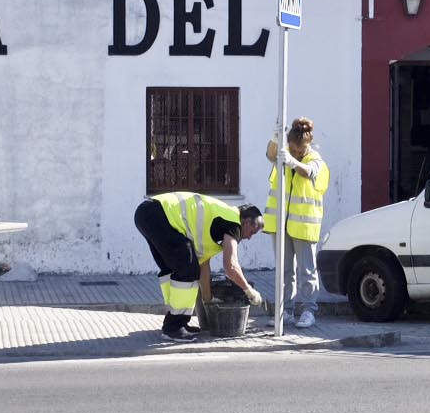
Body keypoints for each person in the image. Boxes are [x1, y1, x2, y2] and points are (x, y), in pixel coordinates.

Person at [133, 192, 265, 342]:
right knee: (188, 270)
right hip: (158, 214)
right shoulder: (233, 224)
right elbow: (231, 267)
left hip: (148, 213)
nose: (249, 237)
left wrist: (208, 300)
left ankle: (177, 321)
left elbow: (204, 265)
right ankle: (173, 328)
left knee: (175, 268)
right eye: (252, 232)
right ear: (246, 222)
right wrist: (249, 291)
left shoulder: (221, 219)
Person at [264, 117, 330, 328]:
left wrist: (294, 163)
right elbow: (270, 155)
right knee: (284, 272)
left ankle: (309, 311)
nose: (295, 153)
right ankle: (285, 312)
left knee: (306, 272)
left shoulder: (315, 159)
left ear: (307, 146)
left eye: (299, 151)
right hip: (281, 225)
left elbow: (309, 171)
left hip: (304, 226)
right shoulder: (284, 154)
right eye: (292, 150)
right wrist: (275, 138)